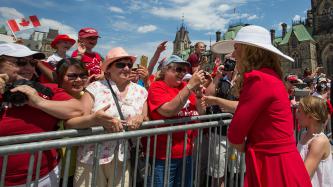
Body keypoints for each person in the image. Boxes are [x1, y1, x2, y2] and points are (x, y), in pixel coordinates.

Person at [210, 25, 312, 186]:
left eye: (237, 48)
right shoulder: (271, 77)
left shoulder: (258, 79)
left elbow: (235, 134)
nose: (233, 55)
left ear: (250, 51)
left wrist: (252, 148)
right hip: (283, 163)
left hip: (272, 167)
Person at [0, 43, 83, 186]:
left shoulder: (46, 90)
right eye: (20, 62)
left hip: (45, 176)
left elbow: (77, 109)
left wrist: (38, 102)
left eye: (32, 63)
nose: (28, 68)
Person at [65, 47, 148, 187]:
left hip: (124, 158)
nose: (127, 68)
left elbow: (146, 118)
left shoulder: (141, 91)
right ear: (108, 69)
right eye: (121, 64)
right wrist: (94, 119)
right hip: (91, 158)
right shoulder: (94, 88)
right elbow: (71, 123)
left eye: (129, 65)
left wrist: (140, 118)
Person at [146, 55, 206, 186]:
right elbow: (167, 111)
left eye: (184, 70)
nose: (182, 73)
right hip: (163, 156)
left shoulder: (184, 86)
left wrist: (199, 94)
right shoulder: (157, 87)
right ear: (165, 70)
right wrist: (189, 87)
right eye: (178, 69)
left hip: (187, 153)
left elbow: (201, 112)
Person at [55, 58, 89, 186]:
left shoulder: (89, 96)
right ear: (59, 77)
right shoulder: (50, 97)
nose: (79, 80)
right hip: (58, 168)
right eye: (72, 76)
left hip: (83, 165)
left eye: (82, 75)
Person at [296, 96, 333, 187]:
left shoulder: (319, 141)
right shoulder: (304, 134)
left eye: (300, 111)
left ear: (310, 116)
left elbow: (304, 175)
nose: (296, 114)